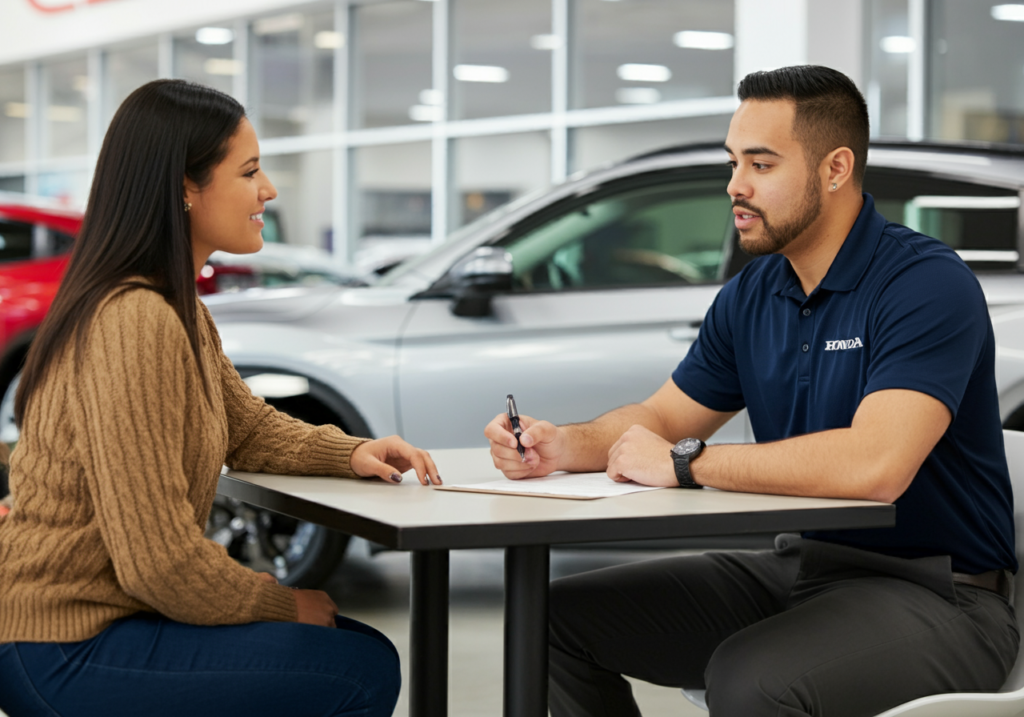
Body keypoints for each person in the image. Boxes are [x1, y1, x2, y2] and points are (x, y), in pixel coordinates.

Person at [485, 65, 1018, 717]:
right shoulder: (754, 292)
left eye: (760, 164)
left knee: (753, 679)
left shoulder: (925, 284)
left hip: (941, 592)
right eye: (734, 161)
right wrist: (564, 444)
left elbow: (877, 466)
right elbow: (661, 414)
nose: (735, 185)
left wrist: (685, 463)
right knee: (547, 618)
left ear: (835, 168)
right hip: (806, 565)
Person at [0, 79, 441, 717]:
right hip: (61, 642)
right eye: (251, 171)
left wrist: (350, 453)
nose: (269, 191)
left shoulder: (173, 308)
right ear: (184, 185)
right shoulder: (135, 319)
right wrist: (281, 603)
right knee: (355, 669)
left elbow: (248, 430)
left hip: (86, 623)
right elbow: (157, 563)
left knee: (355, 652)